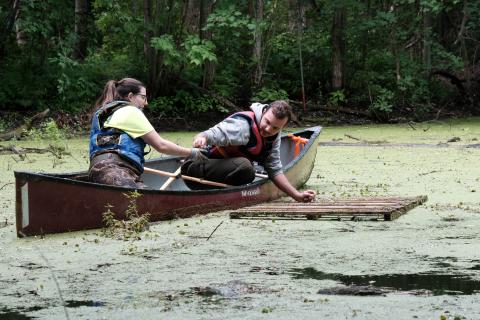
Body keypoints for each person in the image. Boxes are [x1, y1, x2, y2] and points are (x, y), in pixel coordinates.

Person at [182, 100, 316, 202]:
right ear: (263, 113)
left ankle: (222, 194)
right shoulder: (242, 126)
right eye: (267, 122)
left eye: (275, 128)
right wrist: (201, 138)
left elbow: (274, 170)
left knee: (247, 170)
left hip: (215, 171)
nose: (269, 129)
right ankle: (215, 195)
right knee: (246, 167)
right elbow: (210, 134)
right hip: (194, 169)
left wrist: (296, 195)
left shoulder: (273, 138)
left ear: (281, 128)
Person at [89, 77, 205, 188]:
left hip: (96, 172)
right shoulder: (130, 111)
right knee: (149, 204)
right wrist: (192, 153)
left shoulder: (104, 114)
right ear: (130, 96)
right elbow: (161, 145)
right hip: (115, 173)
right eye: (143, 97)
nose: (146, 102)